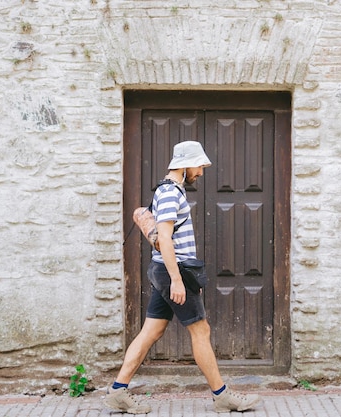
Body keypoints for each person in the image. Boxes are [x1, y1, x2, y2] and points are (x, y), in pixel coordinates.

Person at [104, 141, 261, 414]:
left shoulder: (171, 190)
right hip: (172, 271)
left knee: (152, 330)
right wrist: (177, 280)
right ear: (185, 164)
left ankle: (119, 391)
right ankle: (222, 396)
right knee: (201, 330)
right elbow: (164, 237)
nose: (200, 171)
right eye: (199, 165)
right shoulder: (169, 193)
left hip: (168, 270)